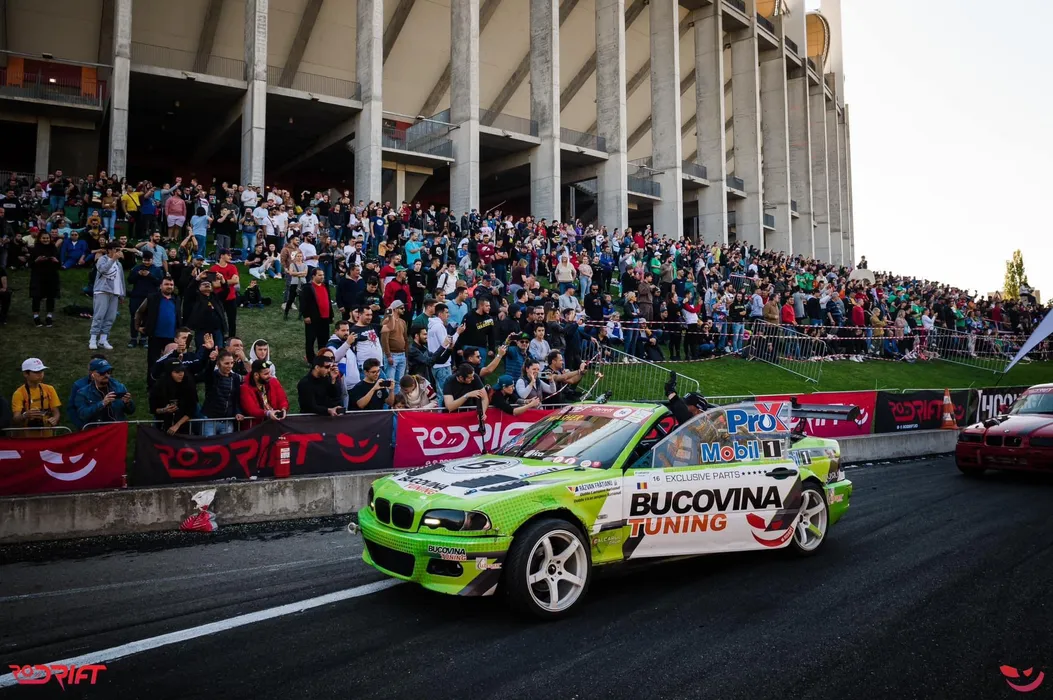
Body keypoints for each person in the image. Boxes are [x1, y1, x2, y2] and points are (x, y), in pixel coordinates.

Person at [72, 358, 136, 426]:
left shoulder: (119, 387)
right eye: (102, 372)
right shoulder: (83, 393)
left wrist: (128, 403)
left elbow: (131, 411)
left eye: (108, 372)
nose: (106, 375)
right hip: (98, 430)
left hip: (117, 429)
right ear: (93, 374)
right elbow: (82, 415)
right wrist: (102, 403)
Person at [11, 358, 61, 436]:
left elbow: (56, 412)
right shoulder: (19, 393)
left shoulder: (49, 389)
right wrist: (25, 415)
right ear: (26, 374)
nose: (40, 374)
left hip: (47, 435)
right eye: (36, 372)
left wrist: (54, 419)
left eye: (42, 371)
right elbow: (16, 418)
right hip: (27, 437)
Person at [90, 241, 126, 350]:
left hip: (115, 292)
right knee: (99, 315)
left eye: (119, 250)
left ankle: (103, 339)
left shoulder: (119, 264)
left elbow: (121, 279)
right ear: (109, 250)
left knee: (110, 317)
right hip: (102, 291)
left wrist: (122, 294)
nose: (118, 252)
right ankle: (93, 339)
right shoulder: (102, 259)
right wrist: (113, 259)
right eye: (116, 249)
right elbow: (102, 269)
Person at [149, 358, 199, 435]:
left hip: (183, 426)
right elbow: (153, 408)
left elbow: (191, 410)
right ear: (169, 373)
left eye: (182, 371)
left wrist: (177, 425)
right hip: (162, 424)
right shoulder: (159, 386)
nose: (181, 374)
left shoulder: (189, 384)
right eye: (177, 372)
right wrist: (164, 410)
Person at [201, 350, 245, 436]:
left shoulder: (235, 378)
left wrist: (238, 412)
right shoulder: (213, 376)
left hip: (227, 421)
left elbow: (236, 398)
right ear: (218, 364)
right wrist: (212, 361)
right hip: (210, 420)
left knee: (226, 444)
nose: (230, 366)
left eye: (232, 363)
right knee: (208, 444)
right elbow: (207, 373)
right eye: (226, 363)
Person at [126, 251, 162, 347]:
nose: (146, 262)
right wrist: (138, 274)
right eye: (144, 260)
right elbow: (129, 280)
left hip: (150, 297)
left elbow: (159, 282)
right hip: (136, 296)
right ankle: (133, 339)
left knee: (147, 317)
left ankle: (143, 338)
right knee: (134, 317)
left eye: (148, 260)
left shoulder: (157, 270)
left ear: (152, 260)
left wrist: (150, 275)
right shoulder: (136, 268)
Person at [239, 358, 289, 425]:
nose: (270, 376)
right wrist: (268, 413)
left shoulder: (273, 381)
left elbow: (282, 399)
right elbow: (252, 409)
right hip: (256, 426)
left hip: (274, 423)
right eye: (266, 374)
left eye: (269, 373)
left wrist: (283, 409)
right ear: (256, 375)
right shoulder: (245, 388)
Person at [300, 266, 333, 363]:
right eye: (320, 275)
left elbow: (328, 300)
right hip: (313, 318)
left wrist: (331, 314)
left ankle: (322, 358)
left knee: (324, 339)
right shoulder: (307, 287)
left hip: (325, 317)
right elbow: (303, 302)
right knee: (310, 340)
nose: (322, 277)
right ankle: (310, 360)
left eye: (323, 275)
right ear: (313, 276)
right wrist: (306, 315)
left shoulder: (325, 285)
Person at [28, 230, 61, 328]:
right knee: (36, 296)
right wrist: (37, 260)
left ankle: (49, 316)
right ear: (40, 239)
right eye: (44, 238)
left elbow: (60, 264)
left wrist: (56, 261)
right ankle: (36, 316)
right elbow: (30, 264)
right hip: (38, 275)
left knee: (51, 296)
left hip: (51, 275)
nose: (46, 240)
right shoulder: (35, 249)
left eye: (47, 238)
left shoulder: (54, 248)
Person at [210, 249, 240, 338]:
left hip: (231, 298)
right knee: (218, 319)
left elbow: (236, 281)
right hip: (219, 298)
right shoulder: (213, 269)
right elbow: (214, 285)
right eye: (228, 255)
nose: (230, 257)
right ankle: (219, 336)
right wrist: (229, 281)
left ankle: (232, 338)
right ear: (222, 256)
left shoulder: (233, 267)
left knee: (232, 320)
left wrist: (223, 281)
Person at [381, 299, 409, 388]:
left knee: (399, 382)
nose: (404, 310)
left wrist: (406, 354)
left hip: (402, 355)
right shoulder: (388, 321)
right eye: (402, 308)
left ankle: (397, 397)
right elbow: (384, 340)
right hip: (392, 355)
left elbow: (405, 338)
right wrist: (388, 355)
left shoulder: (403, 322)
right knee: (390, 382)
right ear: (395, 309)